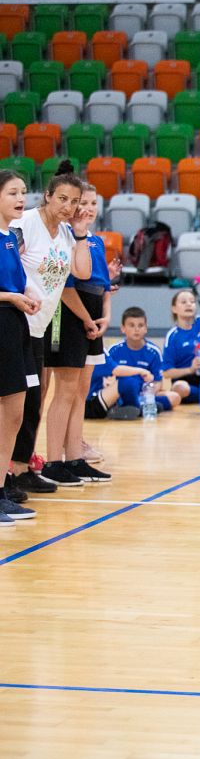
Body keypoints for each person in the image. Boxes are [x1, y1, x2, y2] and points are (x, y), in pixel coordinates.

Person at [9, 161, 86, 494]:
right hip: (16, 322)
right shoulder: (26, 224)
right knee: (14, 403)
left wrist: (84, 316)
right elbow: (10, 261)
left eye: (74, 202)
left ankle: (23, 467)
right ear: (48, 197)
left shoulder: (68, 234)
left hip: (38, 328)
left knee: (33, 402)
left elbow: (74, 280)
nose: (68, 208)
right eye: (63, 199)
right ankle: (8, 474)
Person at [49, 184, 113, 483]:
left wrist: (105, 316)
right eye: (82, 203)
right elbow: (71, 284)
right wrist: (88, 318)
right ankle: (53, 461)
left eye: (93, 203)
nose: (88, 208)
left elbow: (102, 284)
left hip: (92, 318)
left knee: (80, 393)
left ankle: (75, 457)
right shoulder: (65, 238)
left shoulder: (95, 241)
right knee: (65, 392)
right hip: (71, 317)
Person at [0, 169, 39, 524]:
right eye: (13, 192)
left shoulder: (11, 237)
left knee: (15, 412)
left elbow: (18, 281)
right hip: (1, 320)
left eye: (23, 192)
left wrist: (26, 294)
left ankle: (2, 490)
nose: (20, 199)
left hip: (15, 324)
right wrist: (11, 296)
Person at [100, 306, 182, 422]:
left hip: (144, 395)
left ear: (146, 328)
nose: (136, 329)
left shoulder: (153, 352)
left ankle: (135, 407)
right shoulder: (114, 350)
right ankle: (141, 408)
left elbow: (158, 383)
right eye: (131, 325)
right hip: (121, 393)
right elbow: (107, 379)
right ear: (123, 328)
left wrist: (149, 393)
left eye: (140, 325)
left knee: (175, 397)